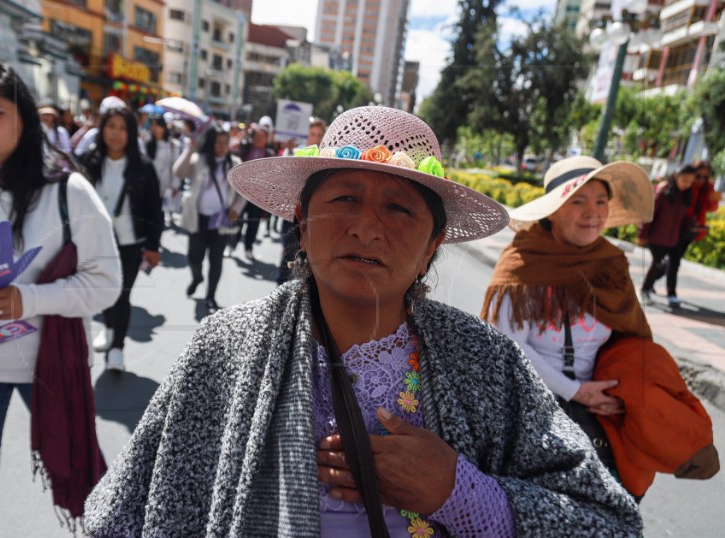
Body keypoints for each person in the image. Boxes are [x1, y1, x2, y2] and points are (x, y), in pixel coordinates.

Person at [85, 107, 642, 537]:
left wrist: (462, 492)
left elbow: (609, 521)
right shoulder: (222, 350)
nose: (367, 228)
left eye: (399, 208)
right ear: (301, 223)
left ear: (432, 246)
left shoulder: (486, 361)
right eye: (345, 198)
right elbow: (121, 516)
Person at [0, 57, 120, 538]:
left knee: (83, 475)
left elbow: (106, 283)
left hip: (48, 366)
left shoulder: (67, 191)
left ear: (22, 117)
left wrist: (27, 299)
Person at [481, 156, 655, 481]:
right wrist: (576, 391)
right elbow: (509, 349)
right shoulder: (523, 263)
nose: (593, 212)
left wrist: (620, 395)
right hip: (529, 414)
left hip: (598, 417)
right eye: (578, 201)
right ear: (554, 210)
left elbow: (631, 336)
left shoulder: (610, 264)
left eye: (601, 201)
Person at [79, 105, 162, 371]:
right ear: (101, 129)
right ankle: (110, 329)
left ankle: (118, 349)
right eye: (110, 127)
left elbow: (154, 210)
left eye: (122, 128)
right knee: (104, 292)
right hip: (94, 243)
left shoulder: (144, 168)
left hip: (130, 243)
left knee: (122, 294)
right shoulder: (88, 162)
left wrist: (152, 246)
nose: (115, 134)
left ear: (131, 132)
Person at [174, 125, 244, 313]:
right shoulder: (200, 160)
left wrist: (236, 209)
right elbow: (178, 173)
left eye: (224, 143)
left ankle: (210, 296)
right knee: (193, 257)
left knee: (216, 260)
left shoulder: (235, 163)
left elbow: (243, 192)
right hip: (198, 219)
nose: (221, 147)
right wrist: (190, 149)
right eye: (217, 143)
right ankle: (197, 277)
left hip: (220, 222)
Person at [277, 117, 328, 285]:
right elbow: (284, 177)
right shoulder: (295, 152)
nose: (316, 137)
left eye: (320, 134)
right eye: (312, 133)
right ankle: (282, 288)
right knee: (289, 254)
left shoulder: (327, 158)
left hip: (314, 216)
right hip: (294, 215)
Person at [638, 165, 695, 306]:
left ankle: (671, 294)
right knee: (657, 263)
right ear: (676, 176)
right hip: (656, 236)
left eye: (690, 181)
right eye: (684, 179)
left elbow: (684, 218)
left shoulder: (685, 195)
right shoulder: (663, 191)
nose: (686, 184)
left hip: (674, 238)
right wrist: (642, 234)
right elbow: (649, 213)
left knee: (674, 264)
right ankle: (644, 290)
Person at [233, 122, 274, 260]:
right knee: (237, 220)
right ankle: (232, 245)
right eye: (257, 136)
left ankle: (248, 248)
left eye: (262, 137)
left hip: (258, 195)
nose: (259, 139)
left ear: (267, 139)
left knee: (253, 223)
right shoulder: (244, 148)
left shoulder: (270, 154)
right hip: (241, 192)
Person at [144, 114, 181, 226]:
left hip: (163, 187)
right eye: (153, 125)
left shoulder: (172, 145)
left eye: (157, 125)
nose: (154, 128)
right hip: (147, 187)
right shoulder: (147, 142)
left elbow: (175, 166)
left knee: (159, 218)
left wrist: (175, 185)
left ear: (163, 127)